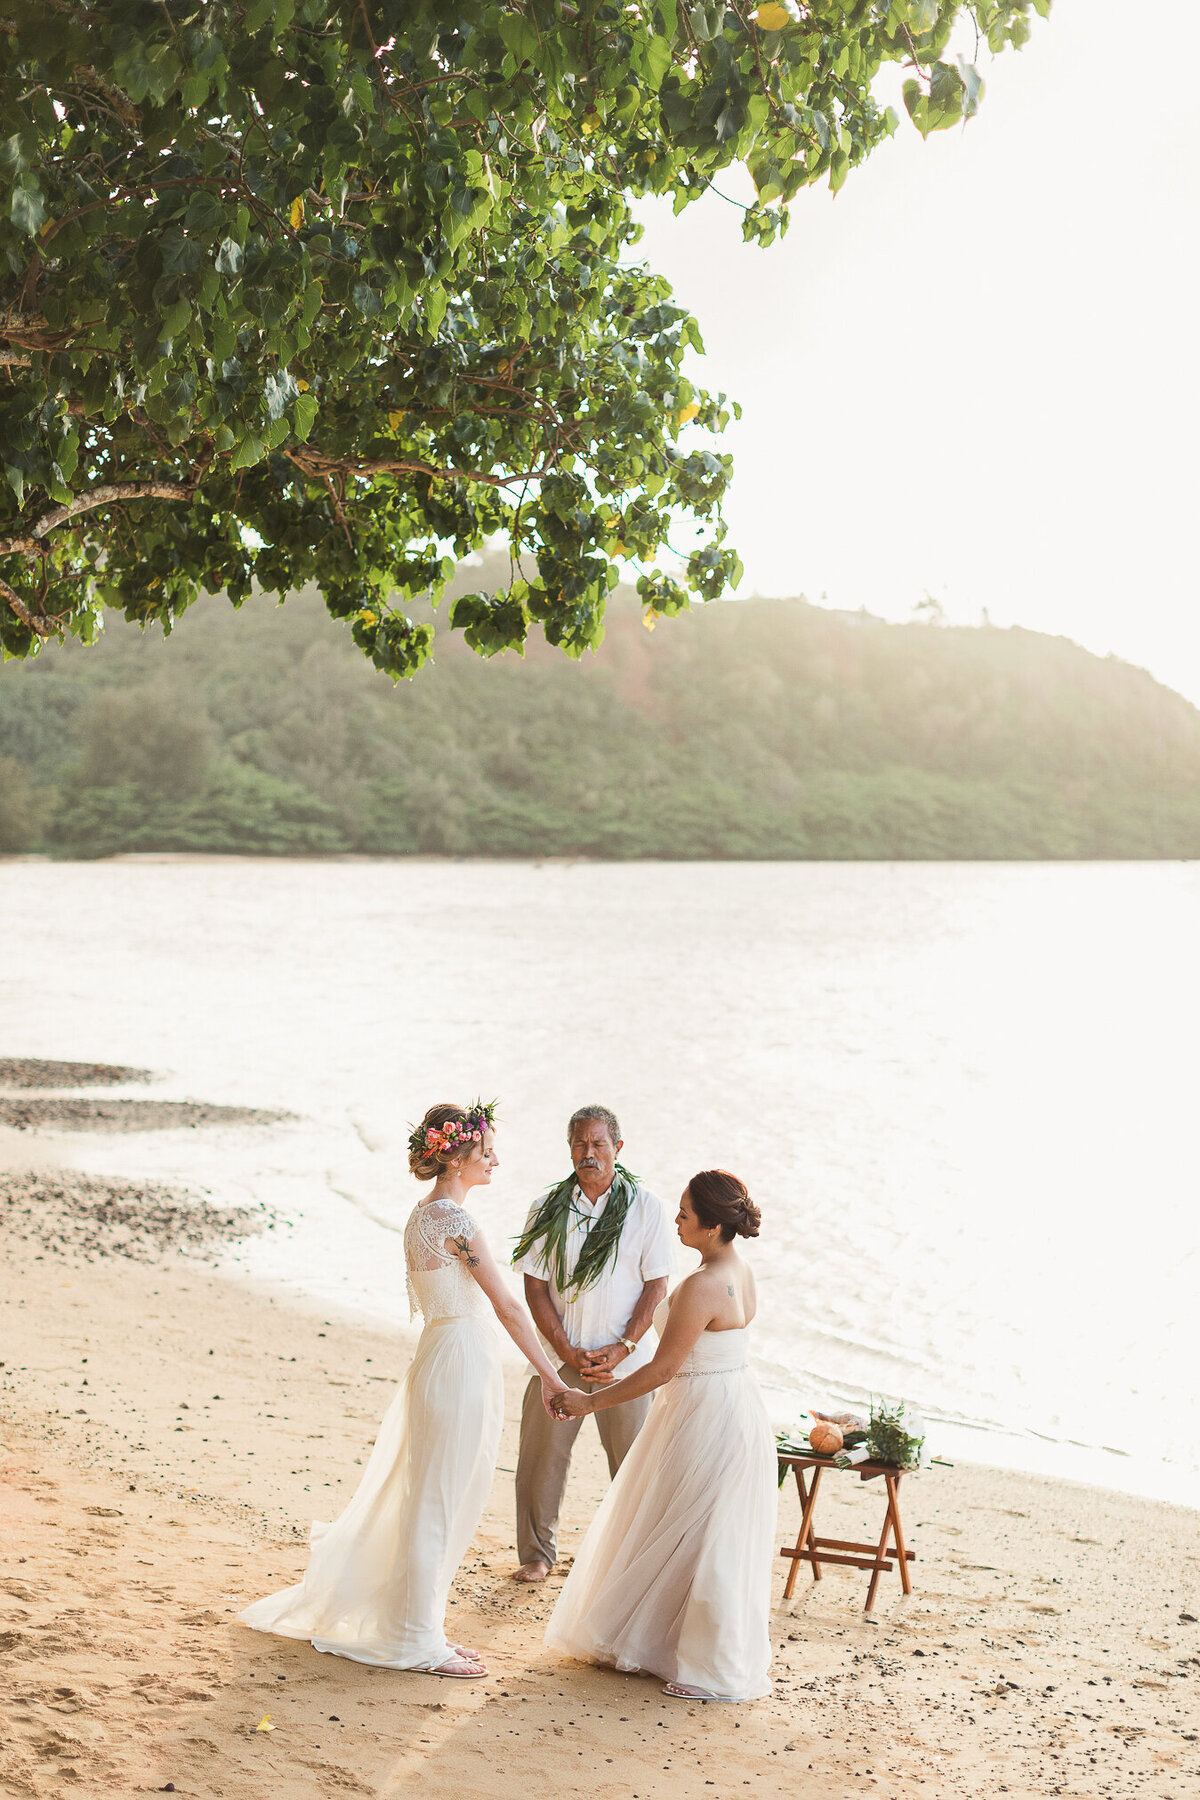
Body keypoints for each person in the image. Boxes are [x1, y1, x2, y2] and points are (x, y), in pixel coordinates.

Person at [241, 1101, 568, 1679]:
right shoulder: (457, 1223)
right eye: (486, 1149)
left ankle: (421, 1628)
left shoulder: (423, 1216)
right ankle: (417, 1641)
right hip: (460, 1361)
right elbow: (509, 1307)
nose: (495, 1159)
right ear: (459, 1156)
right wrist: (551, 1375)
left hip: (442, 1356)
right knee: (440, 1500)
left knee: (433, 1496)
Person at [544, 1169, 776, 1702]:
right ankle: (683, 1648)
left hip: (701, 1410)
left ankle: (704, 1662)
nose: (675, 1221)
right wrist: (622, 1355)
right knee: (709, 1527)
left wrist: (588, 1401)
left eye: (685, 1215)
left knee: (691, 1524)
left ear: (714, 1226)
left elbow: (664, 1370)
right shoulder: (742, 1271)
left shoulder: (700, 1285)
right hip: (737, 1403)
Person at [510, 1105, 673, 1584]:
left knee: (632, 1463)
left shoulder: (647, 1207)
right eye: (580, 1144)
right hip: (560, 1359)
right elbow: (535, 1287)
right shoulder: (547, 1208)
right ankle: (537, 1555)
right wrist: (563, 1352)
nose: (589, 1153)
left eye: (599, 1144)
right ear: (569, 1150)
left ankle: (631, 1558)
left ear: (618, 1149)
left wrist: (622, 1348)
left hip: (625, 1363)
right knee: (541, 1459)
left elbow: (656, 1286)